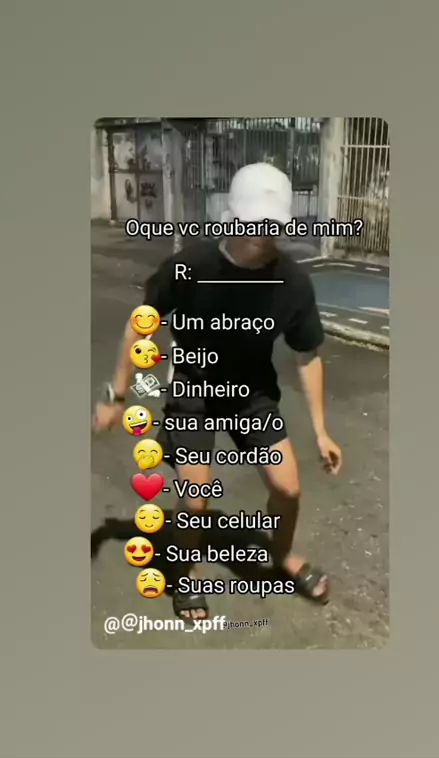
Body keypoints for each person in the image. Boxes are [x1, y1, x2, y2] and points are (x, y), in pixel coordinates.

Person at [94, 162, 342, 623]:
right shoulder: (191, 266)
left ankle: (283, 555)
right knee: (195, 499)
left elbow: (307, 355)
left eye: (272, 225)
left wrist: (322, 431)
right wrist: (116, 396)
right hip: (193, 391)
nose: (262, 234)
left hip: (251, 395)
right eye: (253, 223)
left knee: (288, 489)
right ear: (233, 216)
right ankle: (185, 574)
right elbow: (139, 325)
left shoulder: (292, 283)